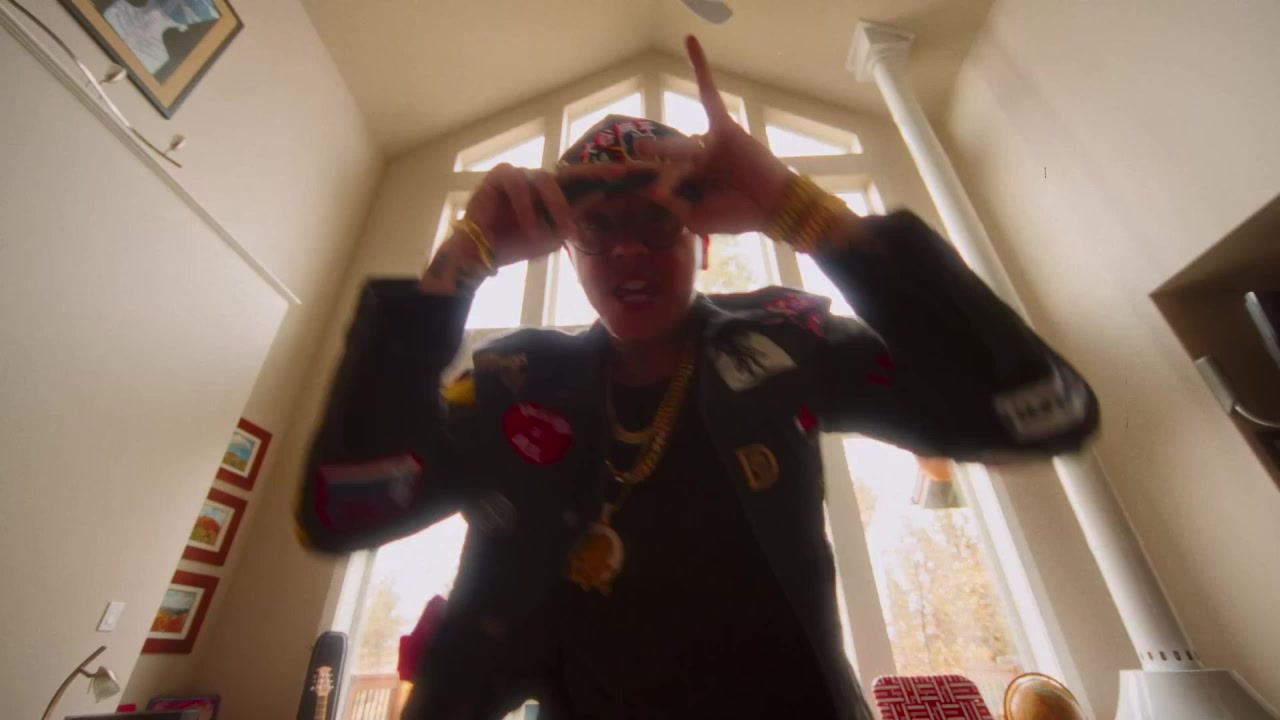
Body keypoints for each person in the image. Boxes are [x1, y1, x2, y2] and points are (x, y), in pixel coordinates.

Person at [296, 36, 1098, 720]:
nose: (629, 250)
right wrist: (458, 263)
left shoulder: (786, 341)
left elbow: (1037, 411)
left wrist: (795, 206)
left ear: (703, 239)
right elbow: (343, 508)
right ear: (569, 255)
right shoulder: (517, 381)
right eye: (598, 230)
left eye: (656, 221)